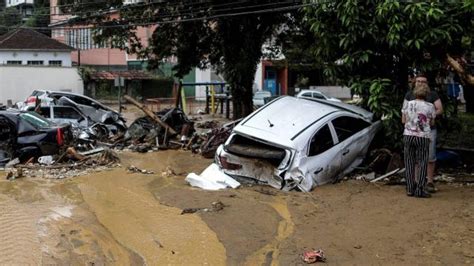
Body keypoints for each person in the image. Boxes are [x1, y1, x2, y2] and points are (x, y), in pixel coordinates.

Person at [403, 75, 443, 193]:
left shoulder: (432, 95)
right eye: (418, 81)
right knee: (422, 159)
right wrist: (426, 117)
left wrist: (415, 118)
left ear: (427, 83)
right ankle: (419, 186)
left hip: (411, 133)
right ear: (414, 83)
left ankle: (417, 185)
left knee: (418, 159)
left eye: (423, 81)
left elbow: (403, 118)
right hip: (423, 134)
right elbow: (432, 119)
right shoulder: (411, 96)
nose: (420, 83)